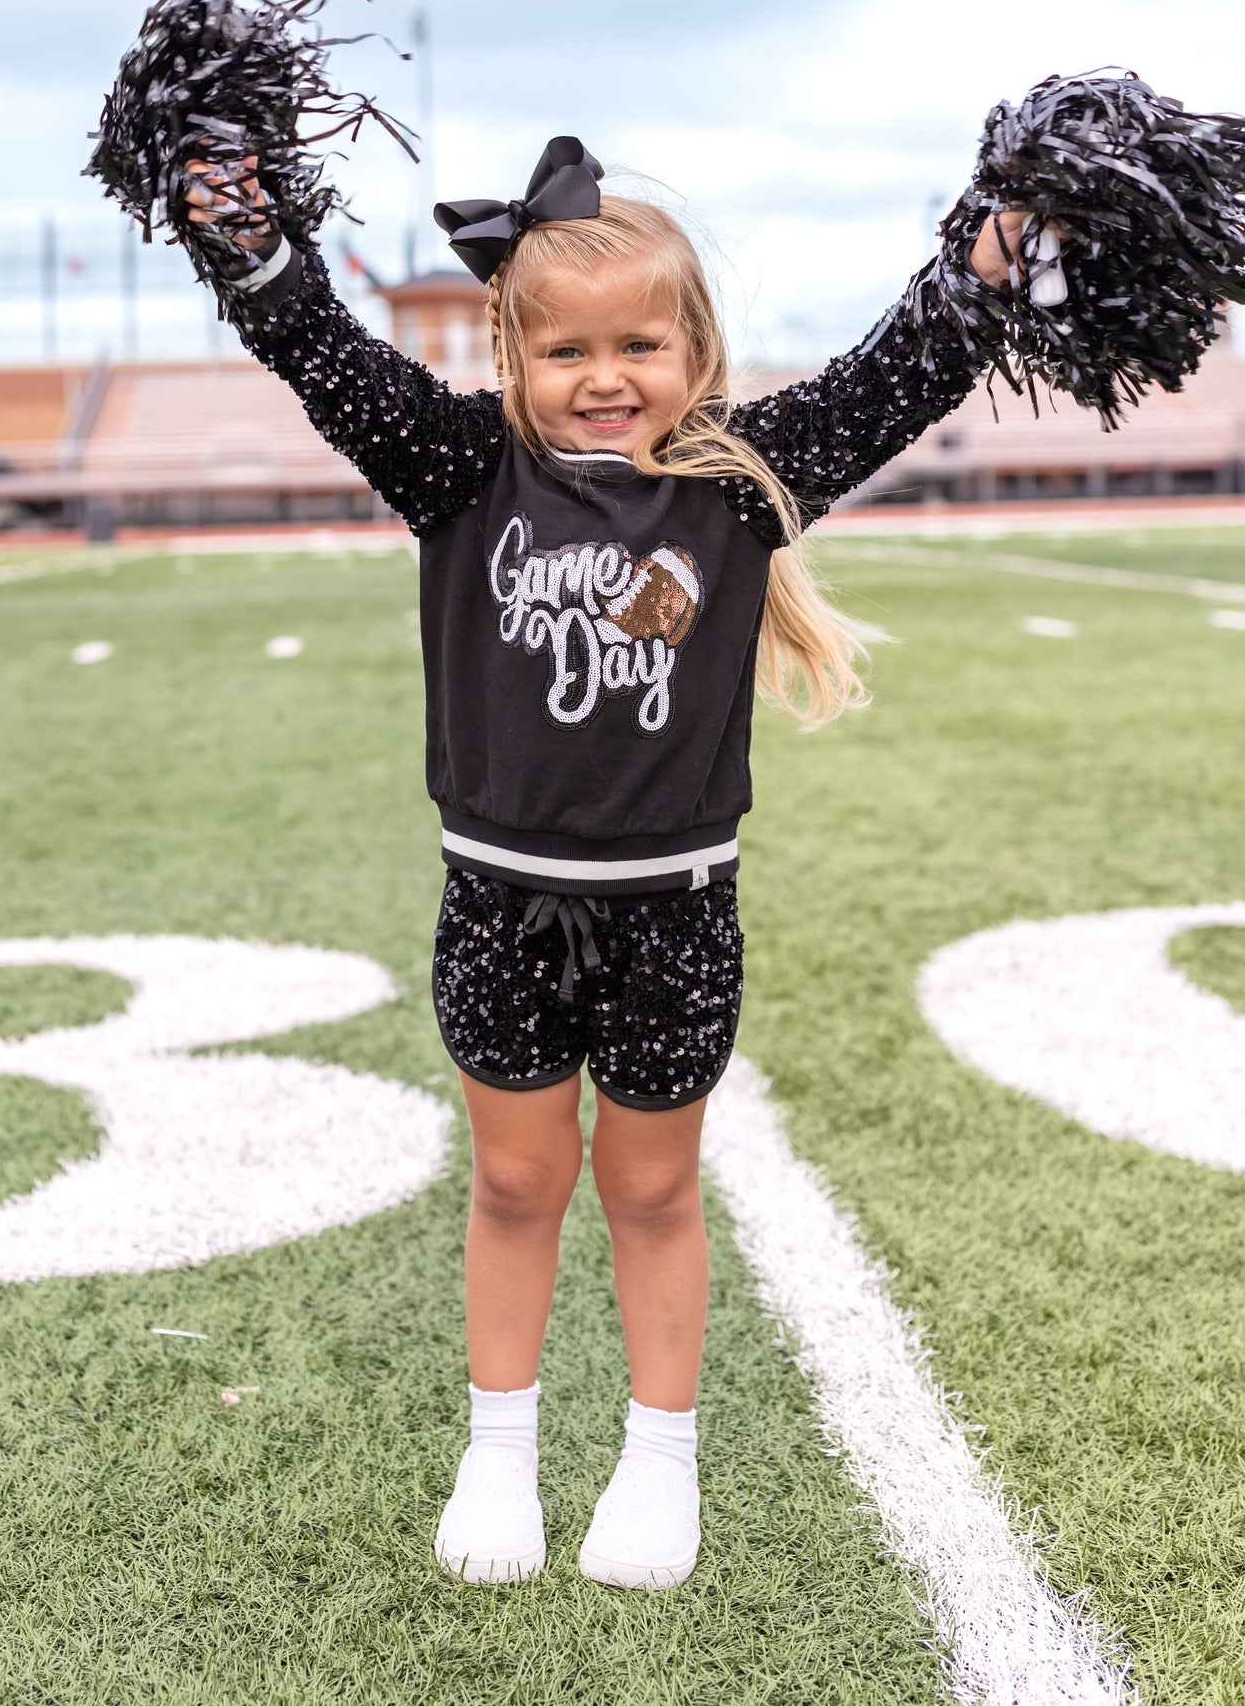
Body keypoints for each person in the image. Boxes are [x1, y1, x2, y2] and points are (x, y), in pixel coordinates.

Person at [184, 139, 1023, 1592]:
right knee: (517, 1181)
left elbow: (903, 372)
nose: (605, 376)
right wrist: (248, 239)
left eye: (640, 344)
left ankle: (659, 1455)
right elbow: (321, 351)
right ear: (513, 355)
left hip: (675, 916)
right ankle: (499, 1449)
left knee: (651, 1188)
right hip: (497, 904)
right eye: (566, 349)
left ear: (696, 351)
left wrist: (996, 253)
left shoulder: (739, 483)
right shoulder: (459, 467)